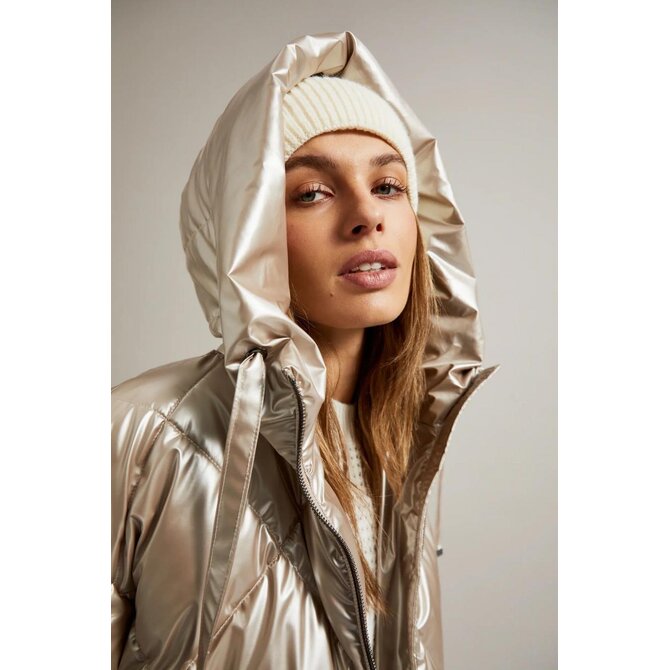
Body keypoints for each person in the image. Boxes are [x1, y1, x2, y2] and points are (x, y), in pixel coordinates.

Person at [111, 31, 499, 670]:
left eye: (388, 185)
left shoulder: (407, 442)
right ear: (245, 236)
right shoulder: (138, 434)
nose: (366, 216)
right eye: (311, 192)